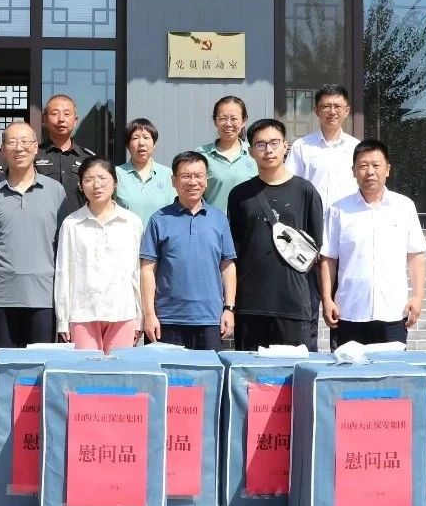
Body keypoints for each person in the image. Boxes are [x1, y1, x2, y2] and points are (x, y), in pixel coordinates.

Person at [228, 119, 324, 351]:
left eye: (274, 143)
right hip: (250, 304)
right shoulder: (239, 195)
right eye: (260, 144)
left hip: (293, 302)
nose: (268, 150)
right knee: (249, 372)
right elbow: (234, 250)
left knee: (294, 370)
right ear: (251, 151)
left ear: (285, 146)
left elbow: (316, 247)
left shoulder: (305, 191)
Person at [320, 139, 426, 346]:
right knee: (348, 366)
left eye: (376, 165)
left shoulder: (404, 207)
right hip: (348, 312)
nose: (370, 171)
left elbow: (416, 256)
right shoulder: (338, 210)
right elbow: (328, 258)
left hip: (393, 312)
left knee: (391, 366)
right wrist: (327, 299)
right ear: (353, 171)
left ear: (387, 169)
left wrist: (418, 297)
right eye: (363, 165)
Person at [0, 122, 66, 349]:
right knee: (2, 363)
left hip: (44, 295)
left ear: (36, 147)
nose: (19, 148)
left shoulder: (55, 190)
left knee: (39, 364)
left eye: (25, 142)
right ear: (2, 149)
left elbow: (64, 245)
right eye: (12, 142)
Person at [285, 84, 360, 348]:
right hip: (308, 239)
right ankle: (308, 361)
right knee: (306, 309)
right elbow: (290, 190)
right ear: (316, 110)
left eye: (337, 106)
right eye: (326, 106)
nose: (332, 111)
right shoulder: (302, 147)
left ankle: (343, 360)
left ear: (347, 110)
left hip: (345, 240)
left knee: (343, 309)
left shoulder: (356, 148)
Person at [140, 151, 237, 350]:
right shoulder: (159, 219)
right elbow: (147, 270)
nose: (193, 182)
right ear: (174, 181)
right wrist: (149, 314)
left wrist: (229, 308)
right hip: (167, 319)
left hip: (210, 318)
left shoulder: (219, 219)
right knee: (169, 371)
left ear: (206, 180)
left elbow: (228, 266)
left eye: (198, 176)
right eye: (186, 176)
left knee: (209, 370)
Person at [55, 157, 143, 352]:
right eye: (88, 179)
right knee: (85, 368)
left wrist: (140, 316)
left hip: (122, 310)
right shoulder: (71, 224)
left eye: (102, 178)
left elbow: (137, 272)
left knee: (119, 368)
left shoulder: (132, 222)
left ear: (115, 182)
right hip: (82, 312)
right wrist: (63, 319)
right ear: (81, 185)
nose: (96, 185)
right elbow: (63, 273)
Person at [36, 94, 94, 219]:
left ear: (75, 120)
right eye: (54, 113)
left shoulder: (88, 159)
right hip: (43, 225)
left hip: (78, 226)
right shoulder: (34, 155)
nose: (61, 119)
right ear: (44, 119)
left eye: (67, 114)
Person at [197, 95, 258, 213]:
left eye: (234, 118)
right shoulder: (202, 154)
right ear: (215, 121)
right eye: (223, 118)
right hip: (213, 222)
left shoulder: (254, 153)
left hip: (247, 222)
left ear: (244, 121)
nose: (228, 124)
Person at [114, 118, 176, 226]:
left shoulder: (168, 175)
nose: (141, 143)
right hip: (127, 235)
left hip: (160, 236)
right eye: (135, 138)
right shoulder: (116, 174)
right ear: (127, 145)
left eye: (146, 137)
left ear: (154, 144)